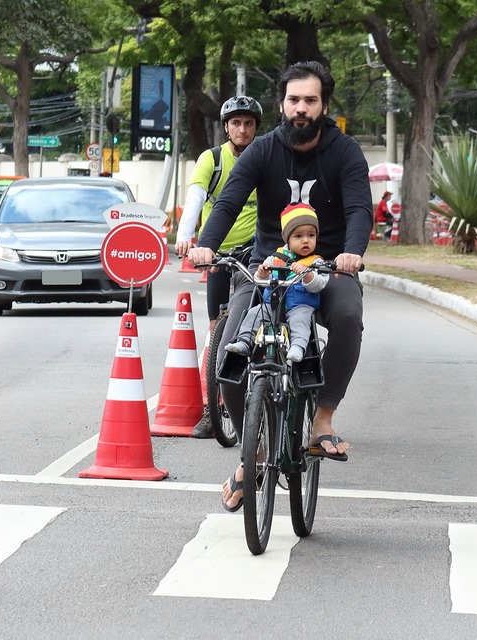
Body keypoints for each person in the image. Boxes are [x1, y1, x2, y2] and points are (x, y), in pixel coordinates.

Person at [188, 60, 372, 511]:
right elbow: (228, 201)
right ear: (282, 104)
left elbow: (359, 209)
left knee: (348, 317)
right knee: (228, 351)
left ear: (323, 104)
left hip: (326, 268)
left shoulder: (345, 151)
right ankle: (258, 449)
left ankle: (322, 419)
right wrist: (206, 245)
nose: (301, 109)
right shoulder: (264, 150)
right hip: (269, 267)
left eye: (310, 100)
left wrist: (351, 252)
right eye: (294, 100)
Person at [175, 96, 262, 438]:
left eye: (249, 123)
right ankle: (215, 409)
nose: (242, 129)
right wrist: (187, 239)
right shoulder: (211, 159)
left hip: (256, 254)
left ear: (256, 127)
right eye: (236, 123)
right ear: (226, 127)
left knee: (256, 322)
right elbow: (195, 198)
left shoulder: (264, 156)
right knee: (216, 331)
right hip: (219, 252)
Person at [225, 203, 328, 364]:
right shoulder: (276, 257)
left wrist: (307, 274)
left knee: (300, 321)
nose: (306, 240)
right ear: (287, 238)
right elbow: (262, 280)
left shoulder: (316, 262)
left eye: (311, 235)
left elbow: (319, 284)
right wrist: (262, 273)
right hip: (272, 304)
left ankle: (298, 347)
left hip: (299, 305)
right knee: (254, 313)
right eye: (298, 236)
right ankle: (245, 341)